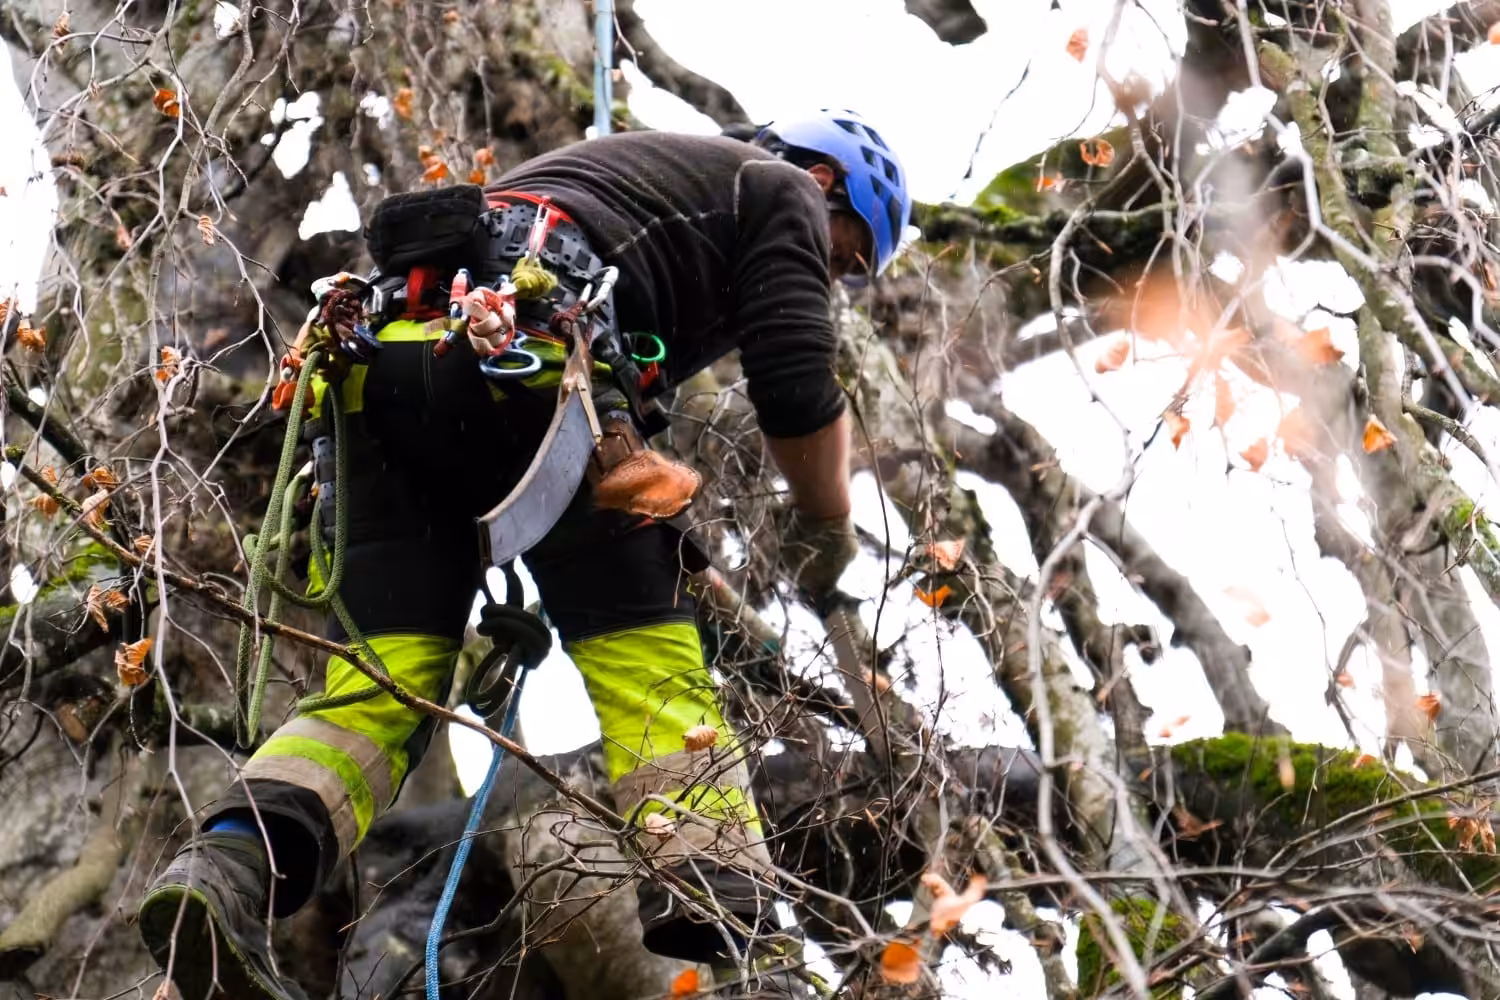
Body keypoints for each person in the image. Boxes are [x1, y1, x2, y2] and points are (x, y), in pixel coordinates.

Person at [137, 109, 911, 1000]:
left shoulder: (625, 180)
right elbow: (796, 382)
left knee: (382, 685)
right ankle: (745, 965)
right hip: (533, 372)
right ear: (823, 181)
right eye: (848, 250)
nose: (837, 274)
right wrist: (828, 523)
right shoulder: (773, 188)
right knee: (653, 675)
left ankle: (225, 870)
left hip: (378, 378)